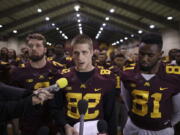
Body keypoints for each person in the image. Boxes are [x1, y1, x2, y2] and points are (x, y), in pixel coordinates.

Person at [54, 34, 117, 135]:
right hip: (71, 130)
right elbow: (56, 108)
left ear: (91, 52)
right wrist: (65, 125)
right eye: (76, 53)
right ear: (71, 54)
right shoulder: (63, 76)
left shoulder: (106, 78)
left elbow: (111, 114)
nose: (80, 57)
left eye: (84, 52)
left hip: (97, 131)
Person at [121, 33, 180, 135]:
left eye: (150, 55)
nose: (144, 59)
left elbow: (178, 111)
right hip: (134, 126)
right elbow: (127, 103)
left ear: (160, 54)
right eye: (142, 53)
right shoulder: (128, 74)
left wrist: (164, 125)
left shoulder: (173, 77)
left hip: (161, 130)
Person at [10, 33, 64, 135]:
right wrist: (16, 130)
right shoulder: (17, 72)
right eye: (30, 46)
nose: (34, 48)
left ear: (45, 49)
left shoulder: (59, 69)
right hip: (28, 126)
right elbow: (14, 105)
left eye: (38, 45)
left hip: (53, 126)